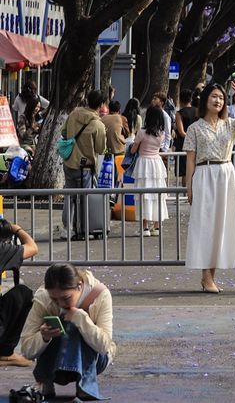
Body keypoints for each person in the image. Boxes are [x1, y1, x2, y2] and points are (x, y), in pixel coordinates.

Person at [184, 80, 235, 293]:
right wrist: (189, 186)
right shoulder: (194, 128)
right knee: (205, 225)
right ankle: (206, 277)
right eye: (214, 96)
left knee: (221, 226)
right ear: (205, 99)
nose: (218, 101)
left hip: (225, 175)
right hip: (204, 175)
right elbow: (190, 159)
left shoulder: (230, 124)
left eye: (221, 97)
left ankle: (211, 277)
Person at [21, 263, 115, 401]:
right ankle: (44, 382)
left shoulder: (100, 295)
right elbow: (26, 350)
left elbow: (104, 347)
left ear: (79, 286)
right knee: (60, 323)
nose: (60, 304)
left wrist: (81, 318)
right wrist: (43, 337)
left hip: (94, 362)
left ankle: (84, 385)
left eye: (66, 298)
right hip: (55, 364)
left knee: (74, 322)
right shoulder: (43, 297)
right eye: (54, 299)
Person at [57, 90, 107, 241]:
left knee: (69, 196)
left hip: (69, 162)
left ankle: (67, 228)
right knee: (85, 197)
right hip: (85, 167)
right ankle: (83, 227)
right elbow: (100, 149)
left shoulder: (73, 114)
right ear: (100, 105)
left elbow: (64, 132)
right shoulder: (98, 124)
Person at [0, 217, 38, 367]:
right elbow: (32, 247)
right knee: (23, 294)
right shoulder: (2, 250)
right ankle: (6, 354)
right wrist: (17, 229)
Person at [129, 105, 169, 236]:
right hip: (157, 164)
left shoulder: (141, 132)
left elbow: (133, 150)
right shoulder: (161, 134)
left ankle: (145, 227)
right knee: (157, 194)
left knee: (143, 194)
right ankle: (157, 227)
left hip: (143, 163)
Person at [174, 87, 197, 185]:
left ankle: (185, 194)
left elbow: (181, 131)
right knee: (195, 169)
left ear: (180, 99)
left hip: (183, 144)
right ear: (191, 99)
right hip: (197, 143)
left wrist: (189, 138)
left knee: (184, 171)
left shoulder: (179, 113)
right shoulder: (198, 111)